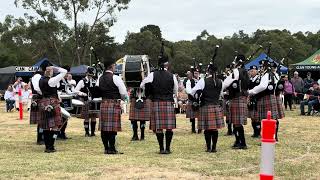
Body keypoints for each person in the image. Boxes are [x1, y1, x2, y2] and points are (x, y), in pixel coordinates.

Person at [140, 53, 178, 154]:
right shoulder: (172, 76)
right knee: (169, 128)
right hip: (169, 102)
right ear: (167, 65)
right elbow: (175, 90)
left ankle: (161, 149)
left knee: (159, 127)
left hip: (157, 102)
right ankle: (168, 149)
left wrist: (150, 91)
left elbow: (142, 85)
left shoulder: (152, 75)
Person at [96, 58, 128, 154]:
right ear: (112, 66)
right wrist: (122, 98)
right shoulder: (116, 78)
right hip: (113, 104)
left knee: (104, 128)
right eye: (114, 66)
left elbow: (97, 91)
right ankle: (112, 148)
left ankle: (106, 148)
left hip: (103, 103)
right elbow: (123, 93)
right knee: (112, 128)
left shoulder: (100, 78)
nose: (115, 67)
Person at [191, 62, 224, 152]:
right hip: (216, 106)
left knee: (207, 129)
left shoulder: (203, 80)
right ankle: (214, 148)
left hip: (206, 106)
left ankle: (208, 147)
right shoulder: (220, 81)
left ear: (208, 71)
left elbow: (192, 91)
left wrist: (197, 97)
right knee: (214, 129)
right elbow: (221, 94)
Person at [222, 55, 249, 149]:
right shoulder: (245, 71)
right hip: (241, 97)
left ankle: (243, 143)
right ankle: (238, 141)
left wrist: (220, 89)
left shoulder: (237, 71)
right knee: (236, 122)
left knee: (237, 122)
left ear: (237, 62)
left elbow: (227, 82)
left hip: (237, 97)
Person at [38, 66, 67, 153]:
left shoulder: (40, 79)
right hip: (52, 102)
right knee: (55, 126)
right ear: (50, 72)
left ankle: (47, 147)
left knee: (46, 126)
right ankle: (51, 146)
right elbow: (64, 71)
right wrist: (54, 67)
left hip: (43, 102)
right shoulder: (52, 80)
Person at [248, 60, 279, 141]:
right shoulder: (269, 74)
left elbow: (262, 86)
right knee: (270, 119)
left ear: (265, 67)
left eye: (261, 67)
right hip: (267, 97)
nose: (260, 68)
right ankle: (271, 136)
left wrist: (250, 92)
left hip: (267, 98)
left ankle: (272, 136)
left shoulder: (267, 74)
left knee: (271, 119)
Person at [75, 67, 99, 137]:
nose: (91, 77)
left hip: (93, 101)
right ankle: (87, 132)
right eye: (90, 75)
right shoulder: (82, 81)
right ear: (87, 74)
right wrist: (82, 94)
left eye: (92, 75)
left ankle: (93, 132)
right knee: (86, 117)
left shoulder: (95, 80)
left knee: (93, 117)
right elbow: (76, 90)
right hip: (85, 100)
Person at [30, 68, 44, 145]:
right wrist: (44, 94)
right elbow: (37, 88)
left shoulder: (35, 77)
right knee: (41, 120)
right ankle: (40, 138)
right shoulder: (38, 77)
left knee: (41, 120)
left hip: (37, 98)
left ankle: (41, 137)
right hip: (39, 98)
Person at [185, 67, 201, 133]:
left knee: (200, 116)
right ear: (193, 74)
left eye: (197, 73)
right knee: (193, 116)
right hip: (192, 99)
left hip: (200, 100)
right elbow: (188, 90)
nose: (196, 74)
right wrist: (194, 95)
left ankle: (200, 128)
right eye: (195, 73)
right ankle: (193, 128)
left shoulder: (201, 81)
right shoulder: (189, 81)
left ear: (199, 74)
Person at [248, 65, 261, 138]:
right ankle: (255, 132)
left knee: (257, 117)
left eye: (253, 70)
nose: (252, 72)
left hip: (257, 99)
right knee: (252, 117)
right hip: (251, 99)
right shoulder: (250, 79)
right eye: (251, 70)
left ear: (256, 71)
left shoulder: (259, 79)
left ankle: (258, 132)